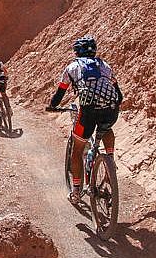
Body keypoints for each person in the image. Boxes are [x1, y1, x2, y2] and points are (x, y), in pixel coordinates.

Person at [45, 36, 123, 203]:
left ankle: (76, 191)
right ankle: (110, 160)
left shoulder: (72, 67)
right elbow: (119, 93)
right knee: (106, 128)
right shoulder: (104, 65)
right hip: (110, 110)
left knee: (77, 151)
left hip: (88, 113)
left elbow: (60, 92)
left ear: (77, 52)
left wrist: (52, 105)